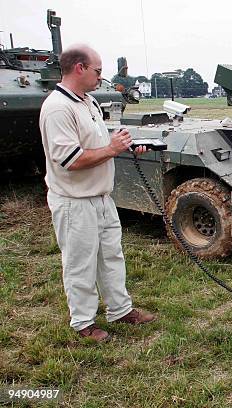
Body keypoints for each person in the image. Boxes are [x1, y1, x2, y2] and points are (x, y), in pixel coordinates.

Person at [39, 44, 155, 342]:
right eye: (98, 71)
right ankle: (83, 322)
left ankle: (120, 309)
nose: (100, 77)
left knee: (111, 257)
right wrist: (111, 149)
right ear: (79, 68)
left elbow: (97, 145)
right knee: (80, 264)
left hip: (101, 197)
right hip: (75, 203)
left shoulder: (87, 102)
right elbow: (71, 160)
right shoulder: (57, 108)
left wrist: (123, 146)